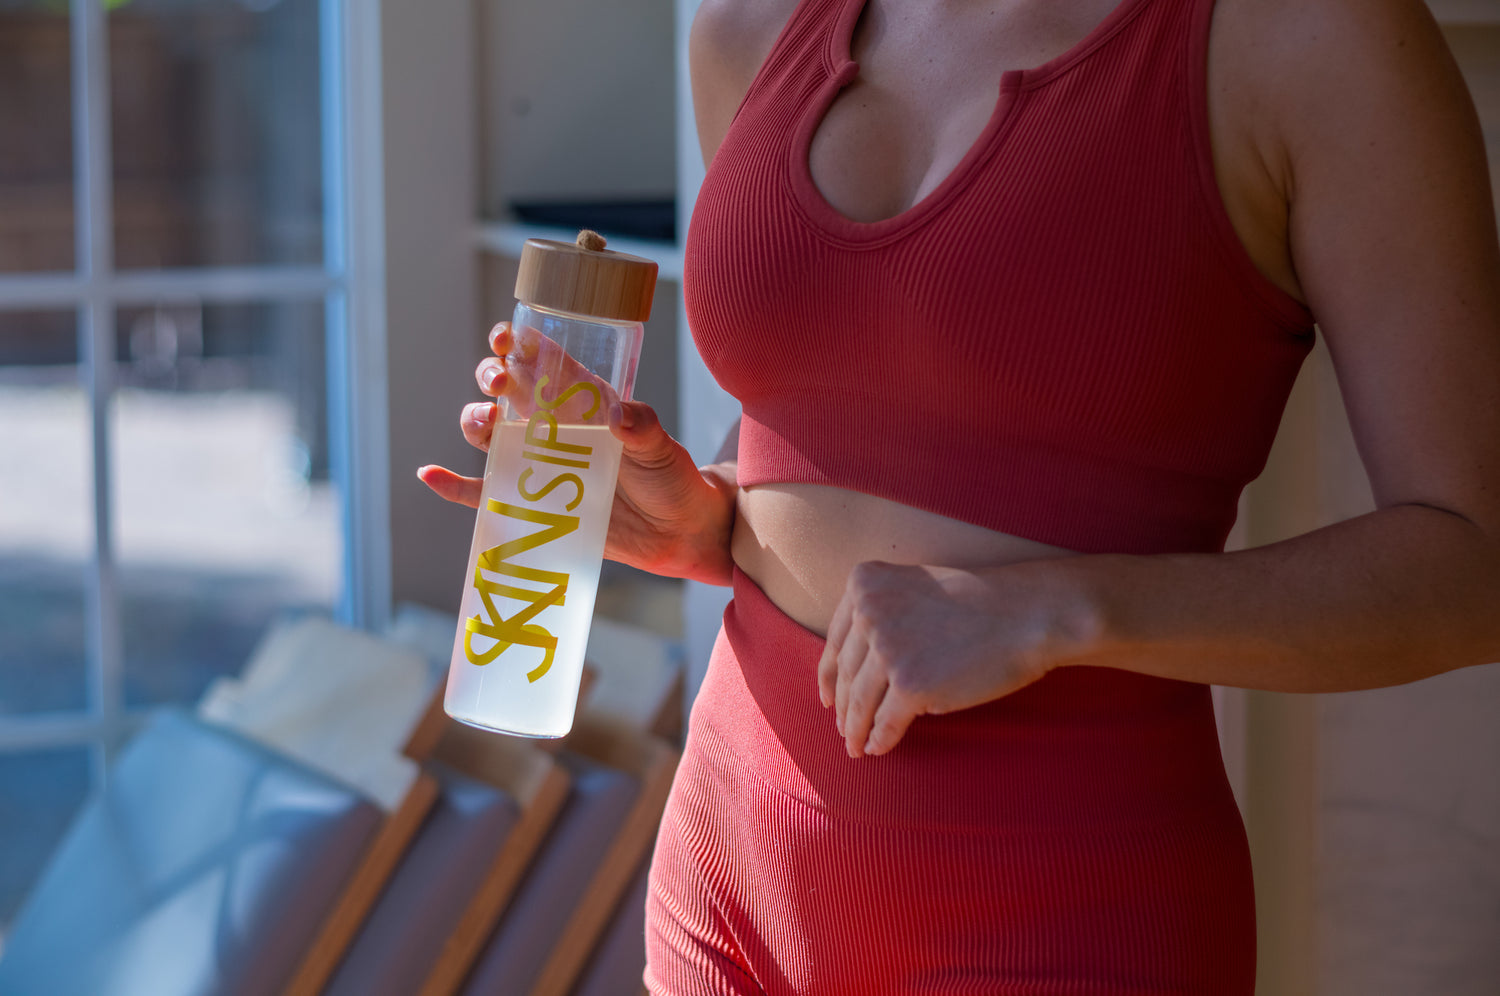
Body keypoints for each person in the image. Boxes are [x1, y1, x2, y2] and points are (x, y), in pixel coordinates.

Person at [420, 0, 1500, 989]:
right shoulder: (747, 27)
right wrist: (720, 515)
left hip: (1063, 912)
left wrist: (1051, 609)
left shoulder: (1309, 37)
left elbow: (1473, 565)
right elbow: (853, 412)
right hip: (730, 872)